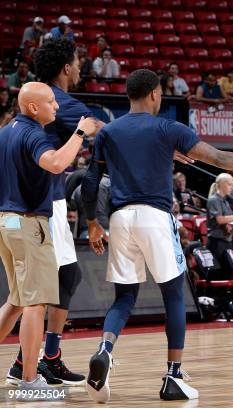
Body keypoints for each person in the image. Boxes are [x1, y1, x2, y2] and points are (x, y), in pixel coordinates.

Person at [80, 68, 233, 403]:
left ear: (129, 95)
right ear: (155, 94)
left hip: (119, 219)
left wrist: (93, 223)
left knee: (124, 298)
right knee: (174, 296)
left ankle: (105, 349)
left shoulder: (109, 132)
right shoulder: (168, 128)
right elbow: (221, 159)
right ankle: (173, 376)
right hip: (154, 216)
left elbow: (91, 180)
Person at [5, 37, 104, 388]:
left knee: (26, 297)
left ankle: (34, 360)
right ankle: (36, 366)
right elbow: (106, 136)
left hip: (14, 212)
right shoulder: (58, 104)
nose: (79, 68)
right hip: (40, 209)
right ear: (66, 68)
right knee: (43, 294)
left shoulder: (14, 123)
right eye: (77, 62)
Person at [206, 173, 233, 278]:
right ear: (222, 184)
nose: (232, 188)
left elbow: (227, 219)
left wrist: (230, 222)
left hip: (226, 240)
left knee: (227, 271)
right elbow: (220, 220)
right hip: (217, 242)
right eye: (230, 184)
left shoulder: (225, 201)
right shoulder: (214, 200)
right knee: (217, 273)